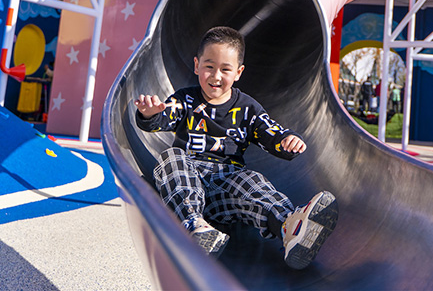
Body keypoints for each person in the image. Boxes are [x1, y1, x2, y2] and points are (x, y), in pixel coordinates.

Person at [134, 26, 338, 269]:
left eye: (225, 69)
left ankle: (290, 226)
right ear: (197, 65)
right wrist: (149, 114)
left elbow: (268, 130)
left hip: (226, 183)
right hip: (188, 177)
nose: (216, 76)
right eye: (209, 66)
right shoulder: (186, 99)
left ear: (238, 72)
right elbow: (166, 115)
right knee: (171, 157)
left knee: (252, 182)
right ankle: (195, 226)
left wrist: (287, 140)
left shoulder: (247, 108)